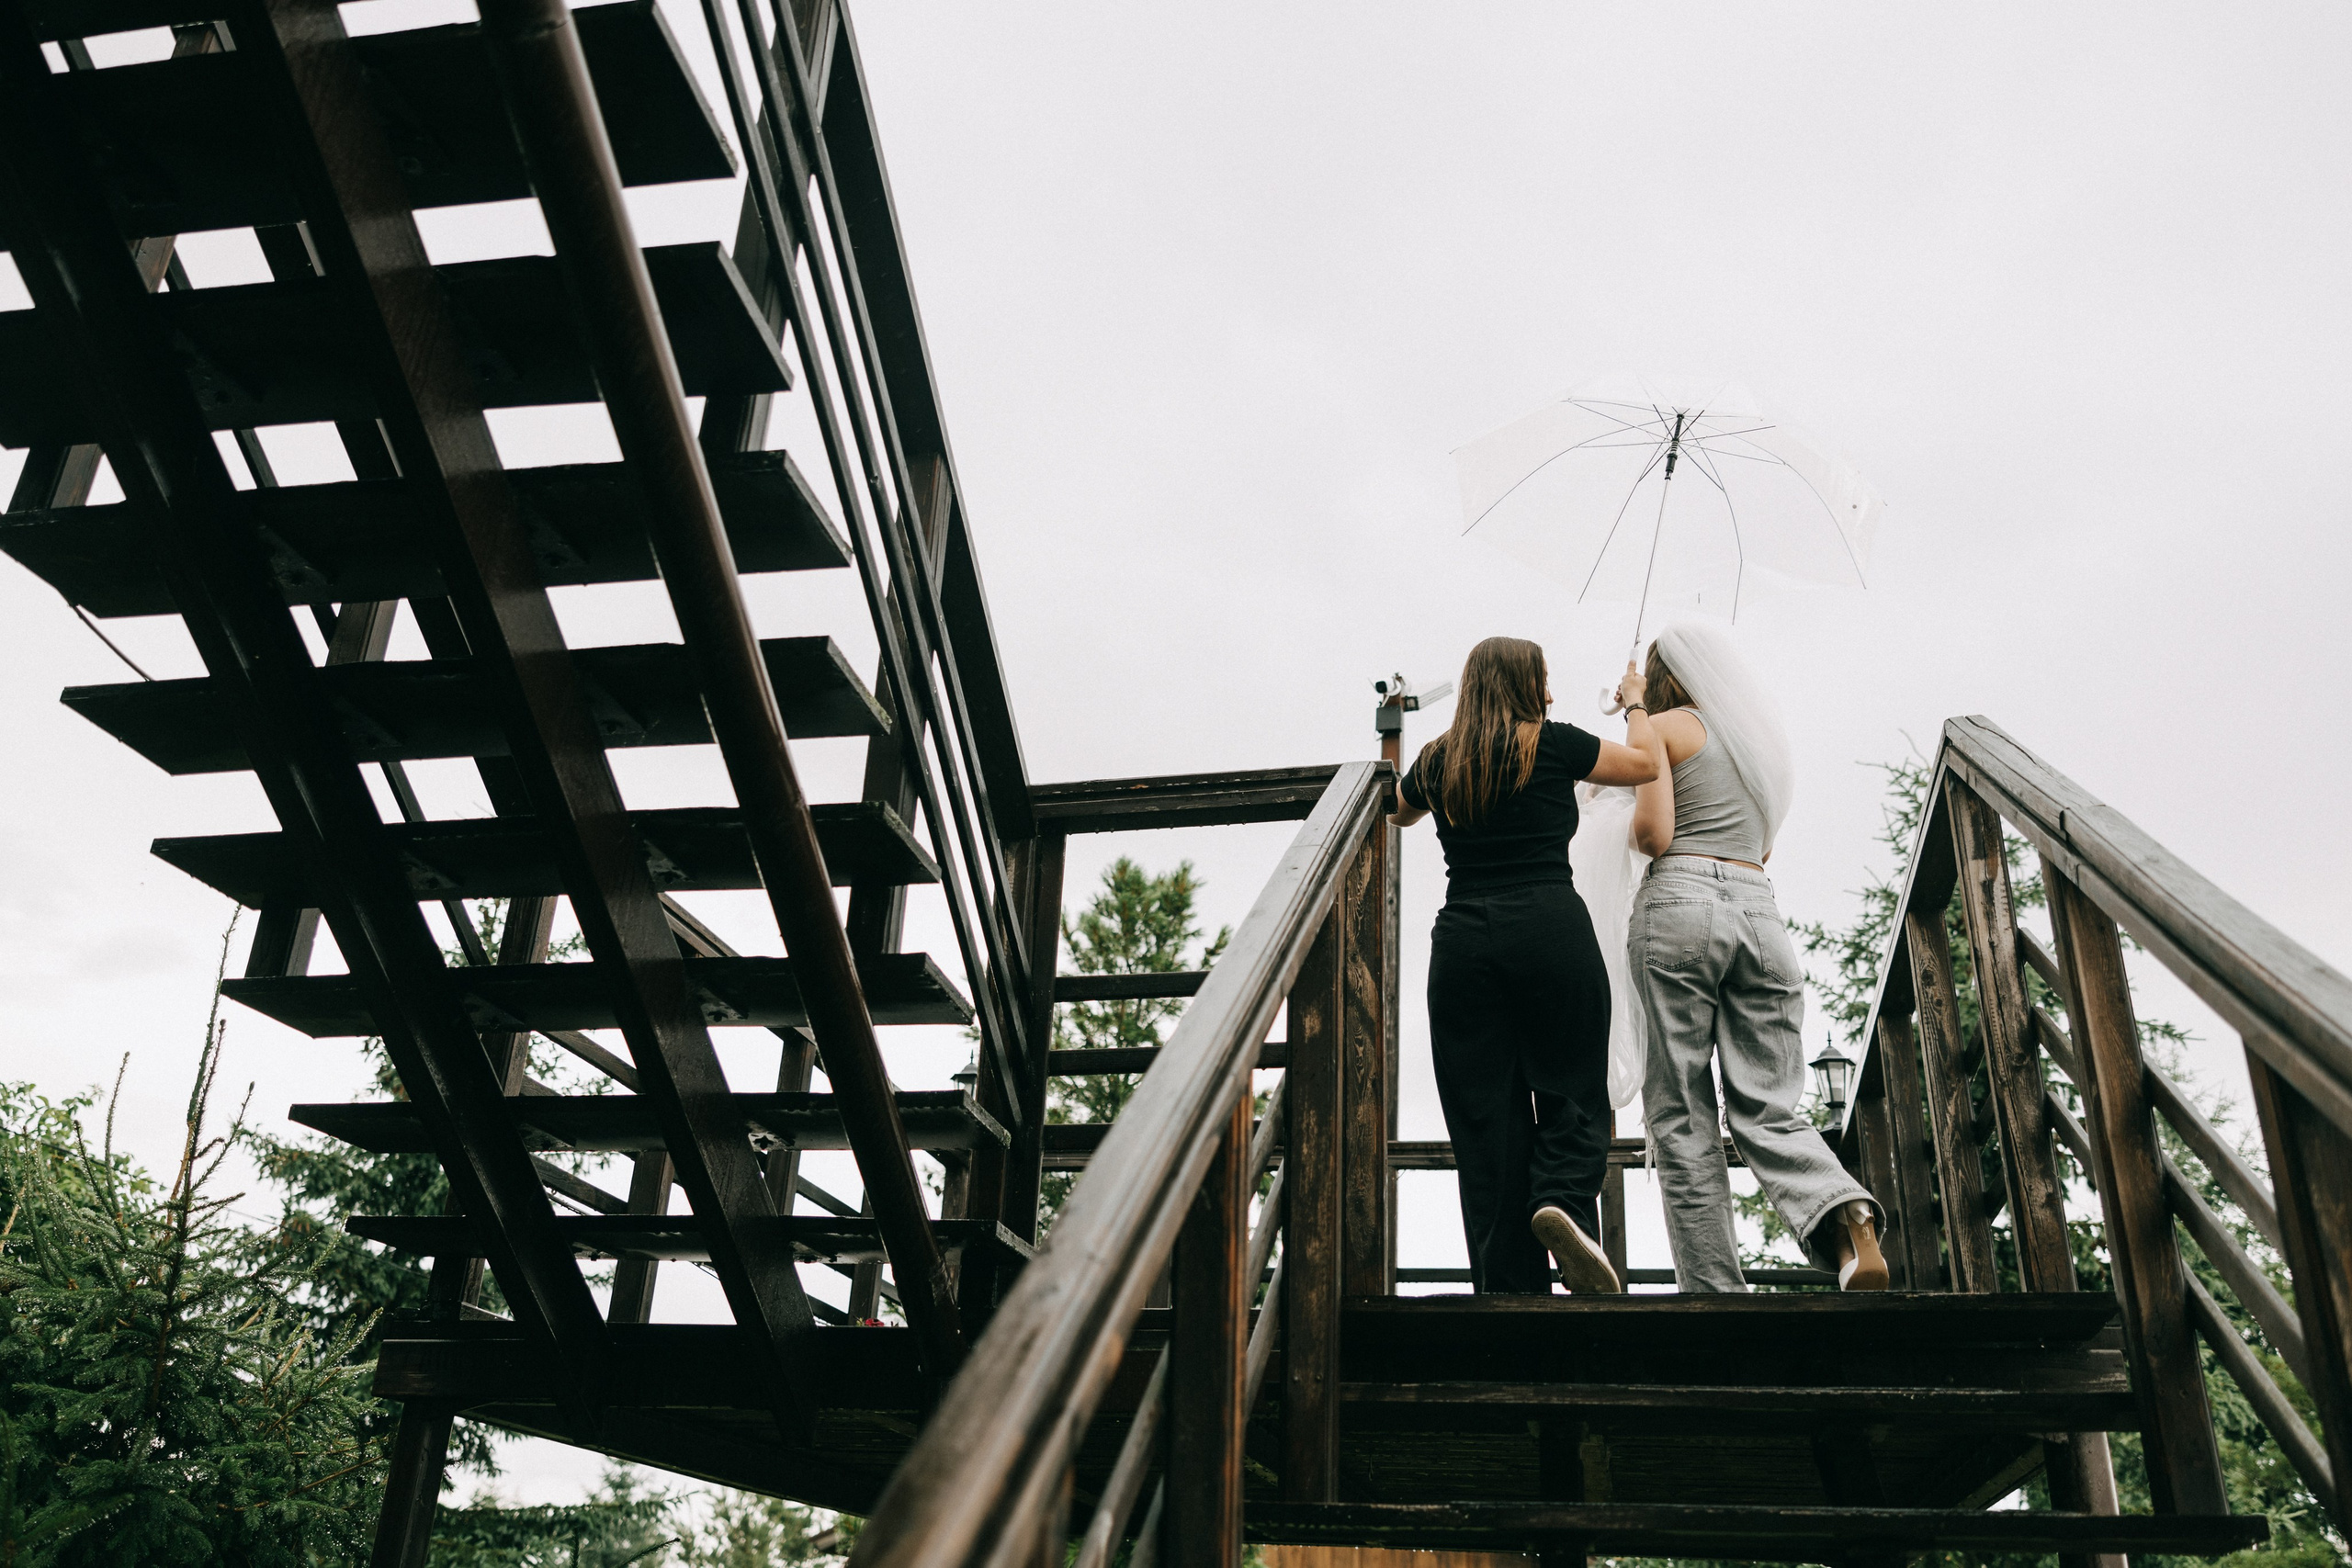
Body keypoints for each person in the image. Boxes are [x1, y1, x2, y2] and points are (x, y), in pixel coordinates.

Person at [1615, 622, 1888, 1292]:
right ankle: (1844, 1209)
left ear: (1663, 678)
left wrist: (1633, 711)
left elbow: (1655, 834)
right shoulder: (1763, 753)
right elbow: (1760, 849)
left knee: (1681, 1111)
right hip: (1759, 913)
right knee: (1769, 1104)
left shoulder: (1661, 726)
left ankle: (1714, 1294)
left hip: (1678, 903)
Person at [1389, 636, 1660, 1294]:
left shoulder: (1437, 759)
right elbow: (1648, 765)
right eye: (1543, 679)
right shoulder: (1555, 741)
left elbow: (1392, 815)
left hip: (1462, 945)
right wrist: (1635, 704)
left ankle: (1509, 1293)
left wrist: (1391, 749)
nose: (1550, 693)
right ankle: (1564, 1202)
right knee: (1573, 1085)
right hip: (1549, 927)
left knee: (1486, 1124)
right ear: (1519, 684)